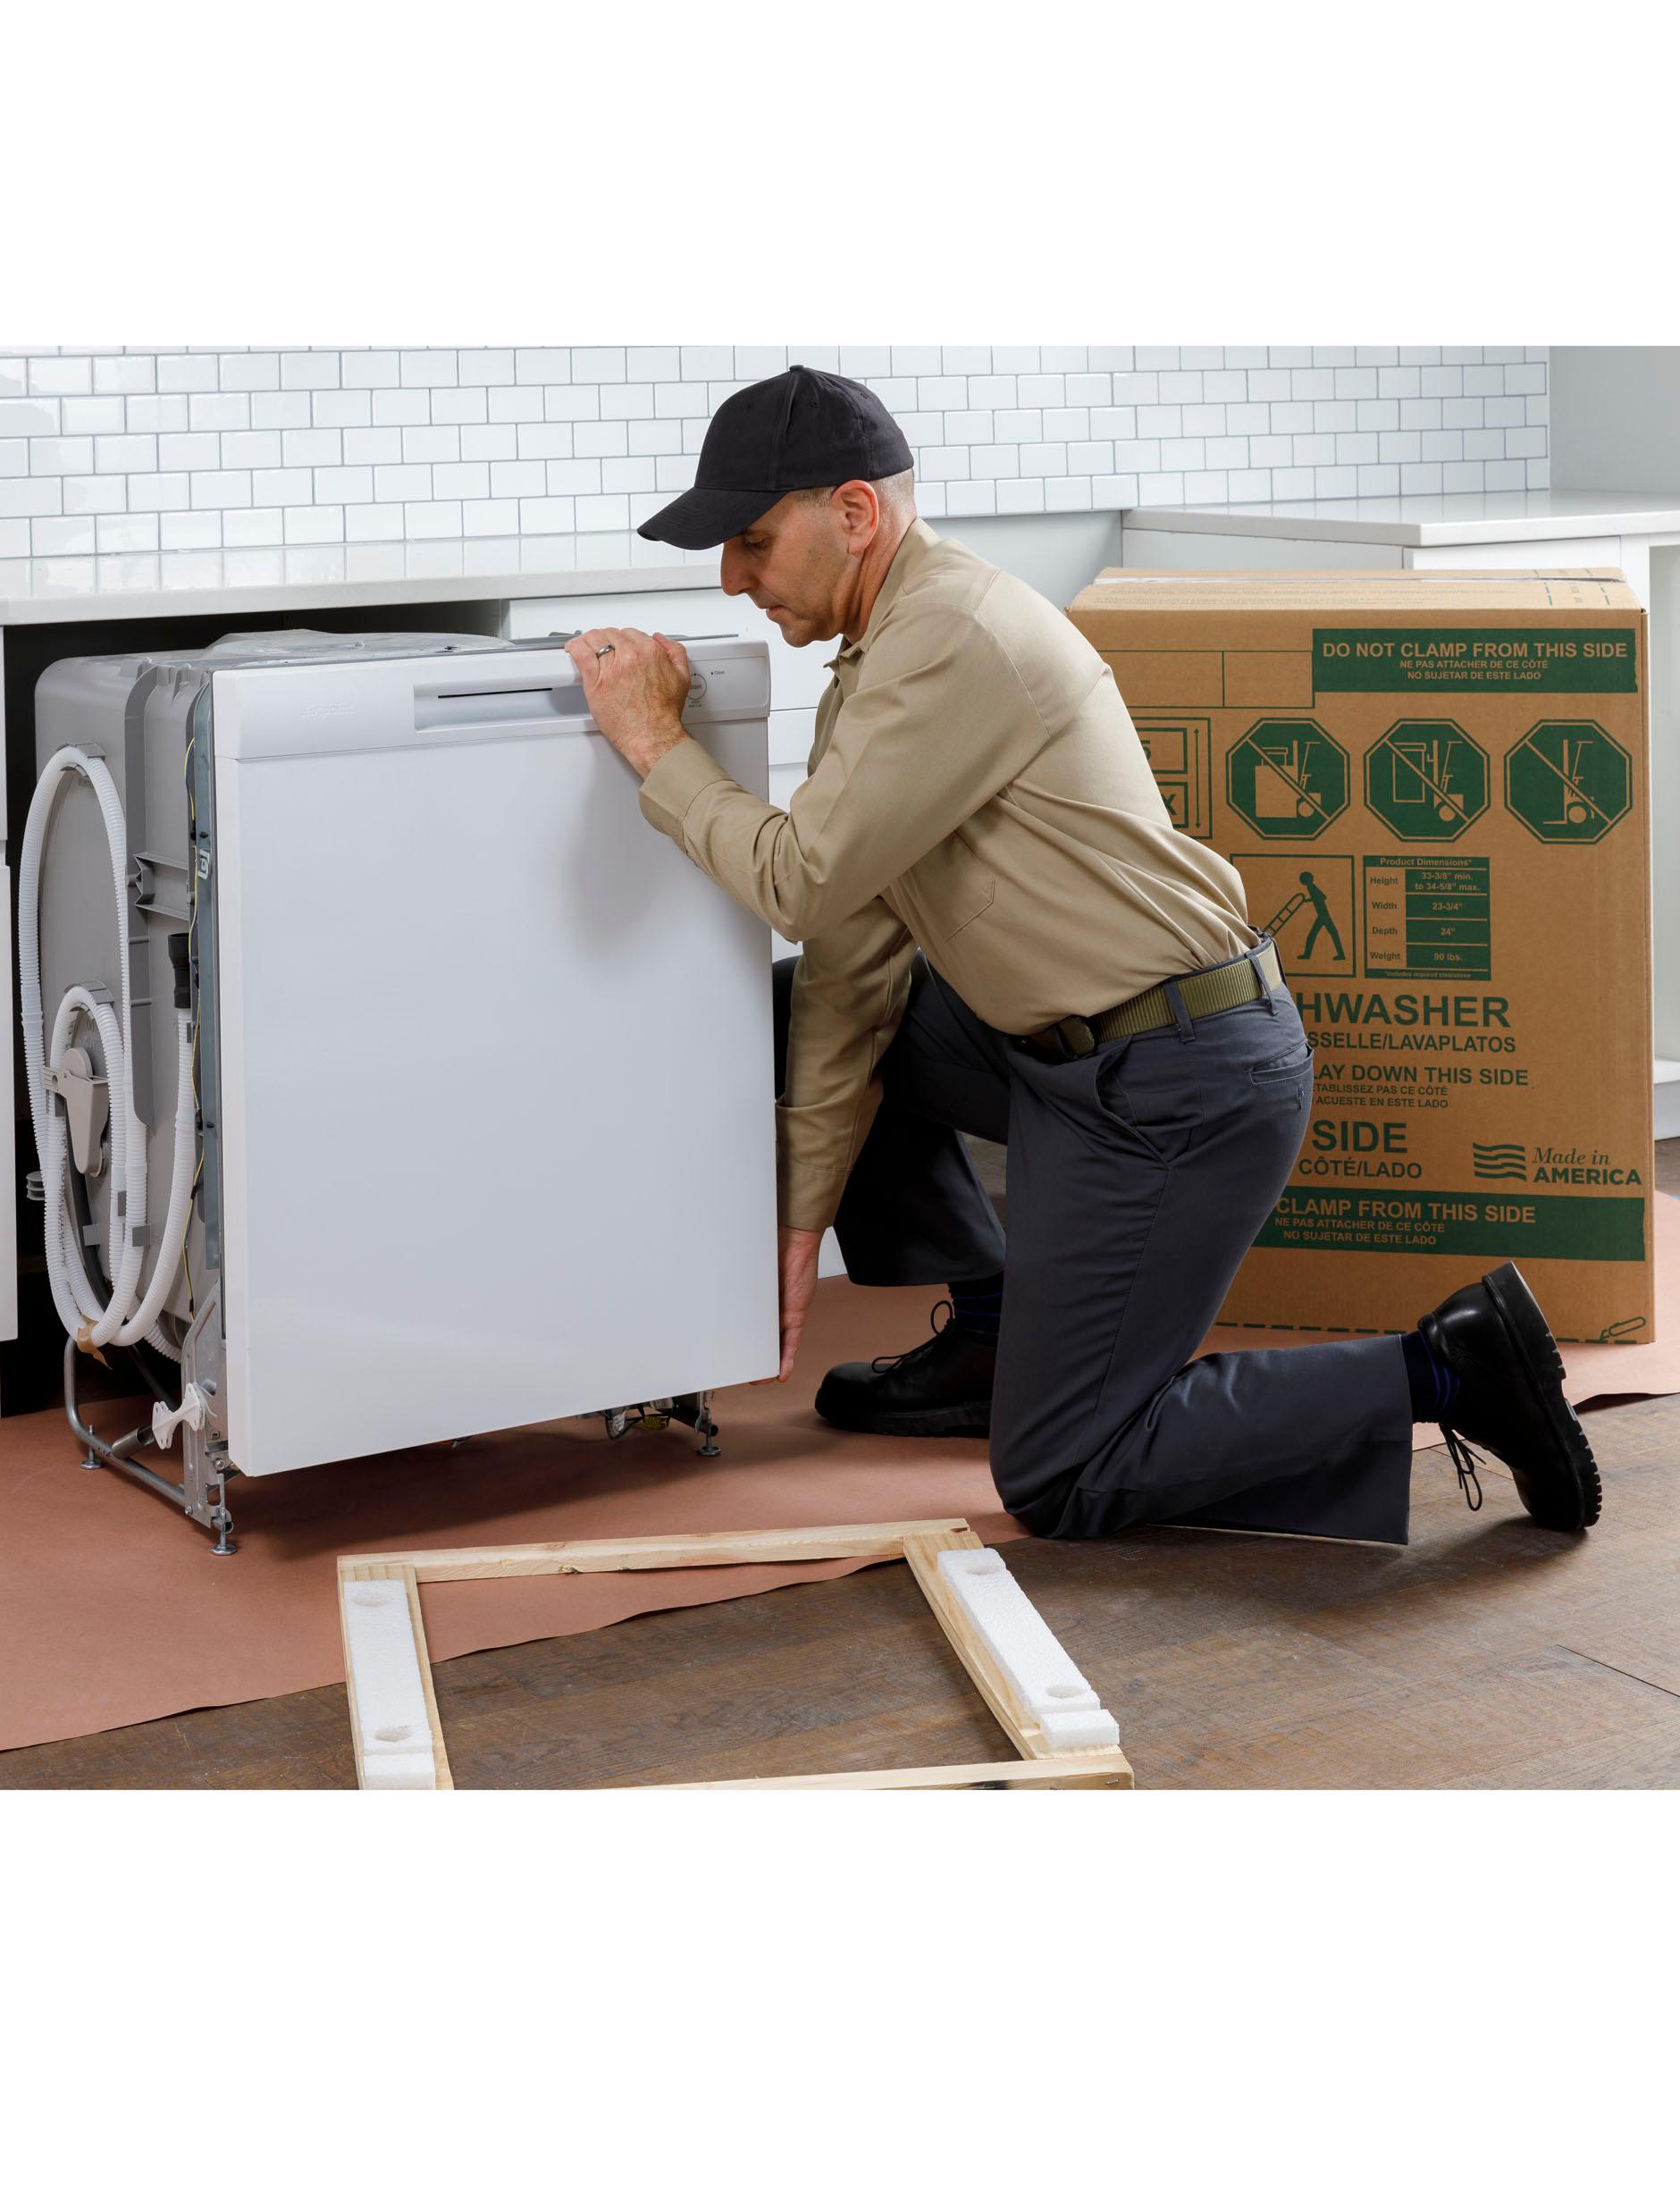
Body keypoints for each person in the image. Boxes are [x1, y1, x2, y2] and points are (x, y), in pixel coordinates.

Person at [565, 366, 1600, 1542]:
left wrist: (657, 746)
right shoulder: (880, 665)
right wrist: (803, 1225)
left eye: (752, 541)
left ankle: (1452, 1367)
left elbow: (795, 877)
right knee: (799, 1006)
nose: (730, 577)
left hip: (1174, 1083)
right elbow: (850, 973)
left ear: (854, 513)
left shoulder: (949, 636)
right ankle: (997, 1334)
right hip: (1069, 1056)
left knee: (1064, 1476)